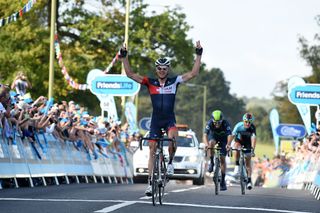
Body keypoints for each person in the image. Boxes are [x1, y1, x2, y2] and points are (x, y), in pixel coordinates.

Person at [119, 41, 202, 196]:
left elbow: (193, 73)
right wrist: (124, 57)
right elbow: (130, 74)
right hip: (156, 121)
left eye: (164, 69)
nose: (162, 71)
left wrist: (198, 54)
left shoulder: (174, 81)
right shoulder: (150, 82)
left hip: (169, 119)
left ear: (168, 70)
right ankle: (150, 183)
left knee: (173, 139)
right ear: (156, 69)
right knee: (151, 149)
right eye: (159, 69)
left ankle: (170, 163)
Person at [203, 110, 232, 191]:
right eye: (215, 122)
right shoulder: (209, 123)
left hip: (223, 139)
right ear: (212, 120)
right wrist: (206, 144)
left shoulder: (226, 123)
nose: (217, 124)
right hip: (214, 137)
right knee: (211, 143)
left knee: (222, 158)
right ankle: (212, 162)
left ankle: (222, 180)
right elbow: (205, 134)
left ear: (222, 120)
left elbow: (230, 135)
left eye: (219, 122)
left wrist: (228, 144)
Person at [226, 112, 257, 190]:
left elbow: (253, 138)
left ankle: (249, 181)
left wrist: (253, 149)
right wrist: (228, 145)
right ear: (243, 121)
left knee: (248, 162)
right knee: (236, 148)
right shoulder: (239, 125)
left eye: (249, 122)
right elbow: (232, 135)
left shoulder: (252, 127)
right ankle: (237, 165)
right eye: (246, 121)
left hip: (248, 142)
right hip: (239, 140)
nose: (247, 123)